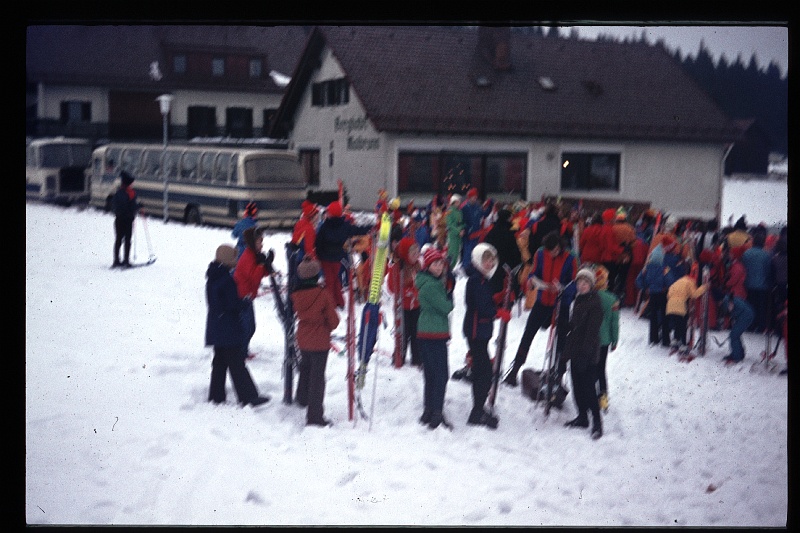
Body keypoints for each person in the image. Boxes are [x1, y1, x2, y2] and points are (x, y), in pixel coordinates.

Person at [504, 230, 578, 386]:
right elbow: (534, 273)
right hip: (542, 300)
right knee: (528, 334)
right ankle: (515, 368)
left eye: (555, 251)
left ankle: (558, 375)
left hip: (561, 303)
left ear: (560, 246)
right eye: (550, 251)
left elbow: (574, 283)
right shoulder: (540, 253)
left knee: (561, 340)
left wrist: (562, 288)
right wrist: (531, 281)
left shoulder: (570, 257)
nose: (552, 254)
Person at [206, 244, 270, 407]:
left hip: (216, 326)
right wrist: (244, 302)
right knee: (237, 363)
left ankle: (216, 395)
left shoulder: (213, 277)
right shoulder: (226, 280)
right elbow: (232, 304)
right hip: (228, 327)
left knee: (219, 363)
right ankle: (248, 396)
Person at [463, 242, 508, 429]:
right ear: (477, 260)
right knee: (485, 372)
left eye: (491, 260)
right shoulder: (477, 280)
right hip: (476, 330)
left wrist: (498, 298)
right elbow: (482, 308)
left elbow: (484, 301)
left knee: (482, 370)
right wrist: (498, 312)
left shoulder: (482, 279)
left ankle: (479, 408)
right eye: (485, 260)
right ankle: (477, 412)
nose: (489, 263)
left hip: (480, 331)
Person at [291, 257, 340, 426]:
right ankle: (315, 416)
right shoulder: (322, 294)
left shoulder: (296, 293)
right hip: (319, 340)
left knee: (305, 368)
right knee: (317, 379)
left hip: (303, 337)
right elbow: (334, 321)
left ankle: (302, 397)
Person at [415, 246, 455, 429]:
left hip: (426, 331)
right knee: (440, 375)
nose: (439, 267)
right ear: (428, 265)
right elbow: (446, 307)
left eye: (441, 264)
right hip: (434, 333)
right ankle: (436, 412)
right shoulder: (432, 285)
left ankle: (428, 410)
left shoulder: (426, 281)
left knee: (430, 374)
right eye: (435, 264)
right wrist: (449, 294)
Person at [562, 268, 604, 440]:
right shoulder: (578, 299)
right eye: (580, 282)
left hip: (587, 352)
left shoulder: (595, 303)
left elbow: (592, 332)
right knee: (577, 386)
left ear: (591, 285)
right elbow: (576, 326)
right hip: (575, 349)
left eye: (586, 282)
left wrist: (585, 355)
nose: (582, 285)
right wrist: (566, 325)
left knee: (588, 388)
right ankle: (582, 417)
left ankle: (597, 422)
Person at [315, 200, 372, 308]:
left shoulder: (324, 226)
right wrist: (370, 227)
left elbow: (318, 242)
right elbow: (357, 230)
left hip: (325, 258)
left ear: (331, 213)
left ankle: (330, 304)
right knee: (336, 279)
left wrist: (318, 254)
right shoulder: (344, 225)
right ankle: (340, 302)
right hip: (338, 257)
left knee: (329, 281)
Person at [233, 227, 275, 359]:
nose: (262, 244)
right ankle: (239, 353)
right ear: (252, 243)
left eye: (262, 241)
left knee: (250, 327)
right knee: (247, 327)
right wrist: (261, 265)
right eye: (259, 242)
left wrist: (268, 265)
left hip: (248, 296)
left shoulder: (254, 255)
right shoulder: (247, 257)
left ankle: (242, 351)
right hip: (241, 296)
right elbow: (254, 277)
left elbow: (261, 273)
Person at [387, 237, 422, 366]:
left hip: (416, 306)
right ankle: (399, 356)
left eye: (417, 252)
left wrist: (418, 292)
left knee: (416, 333)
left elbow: (422, 283)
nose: (416, 255)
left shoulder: (418, 266)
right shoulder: (398, 267)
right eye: (413, 253)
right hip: (402, 307)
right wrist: (407, 291)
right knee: (403, 333)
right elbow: (391, 287)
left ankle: (417, 357)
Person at [665, 260, 708, 354]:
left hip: (670, 306)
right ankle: (684, 345)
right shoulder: (690, 281)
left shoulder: (677, 282)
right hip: (680, 305)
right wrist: (704, 287)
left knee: (677, 324)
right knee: (683, 326)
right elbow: (694, 294)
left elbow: (669, 294)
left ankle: (675, 341)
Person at [593, 265, 619, 412]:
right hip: (604, 341)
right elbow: (614, 323)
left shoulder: (589, 296)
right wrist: (614, 340)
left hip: (590, 340)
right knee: (601, 370)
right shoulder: (612, 299)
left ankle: (589, 396)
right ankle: (603, 401)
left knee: (590, 369)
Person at [635, 244, 670, 347]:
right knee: (664, 317)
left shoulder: (646, 268)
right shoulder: (664, 268)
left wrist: (645, 288)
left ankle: (653, 339)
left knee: (653, 316)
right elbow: (670, 280)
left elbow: (638, 281)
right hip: (663, 294)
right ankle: (665, 340)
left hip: (652, 294)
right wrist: (666, 287)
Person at [740, 230, 772, 333]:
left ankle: (750, 325)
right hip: (762, 285)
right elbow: (768, 270)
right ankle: (760, 326)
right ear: (763, 242)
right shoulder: (766, 255)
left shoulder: (746, 253)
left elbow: (743, 268)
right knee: (761, 307)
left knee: (750, 306)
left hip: (748, 284)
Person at [111, 171, 140, 268]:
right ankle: (125, 260)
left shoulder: (120, 192)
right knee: (126, 240)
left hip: (121, 219)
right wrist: (137, 206)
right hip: (126, 219)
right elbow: (129, 206)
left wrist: (136, 206)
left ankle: (117, 260)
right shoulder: (129, 193)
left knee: (119, 239)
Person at [721, 294, 754, 364]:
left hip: (746, 316)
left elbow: (732, 310)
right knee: (735, 335)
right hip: (745, 315)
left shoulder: (728, 302)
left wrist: (733, 317)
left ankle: (737, 357)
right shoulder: (728, 299)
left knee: (734, 335)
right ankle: (738, 354)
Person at [445, 194, 465, 268]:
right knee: (452, 254)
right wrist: (459, 231)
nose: (459, 203)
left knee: (457, 254)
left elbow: (461, 222)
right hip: (453, 236)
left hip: (458, 236)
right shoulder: (449, 211)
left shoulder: (459, 211)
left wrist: (462, 229)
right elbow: (449, 224)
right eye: (457, 201)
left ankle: (453, 268)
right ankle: (449, 268)